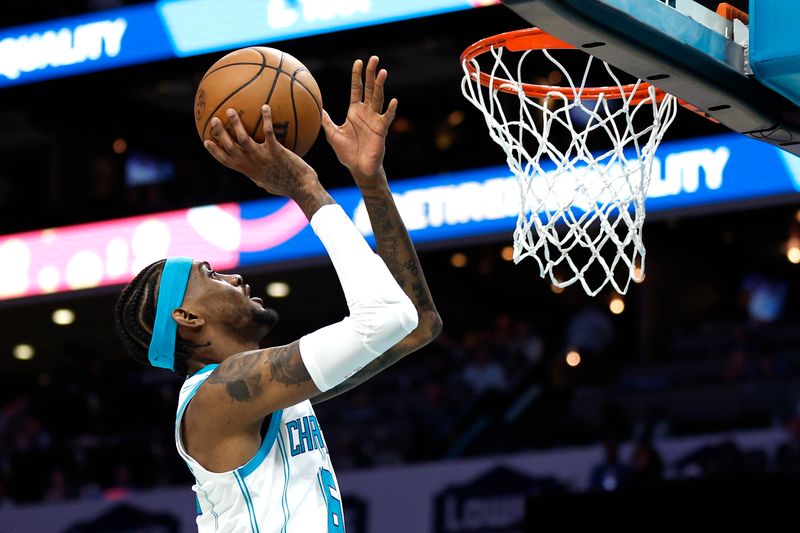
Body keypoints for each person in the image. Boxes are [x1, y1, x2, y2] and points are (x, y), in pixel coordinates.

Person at [114, 56, 441, 532]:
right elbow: (390, 319)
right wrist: (305, 188)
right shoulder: (217, 396)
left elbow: (415, 324)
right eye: (211, 275)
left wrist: (370, 180)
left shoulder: (264, 393)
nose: (234, 279)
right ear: (186, 317)